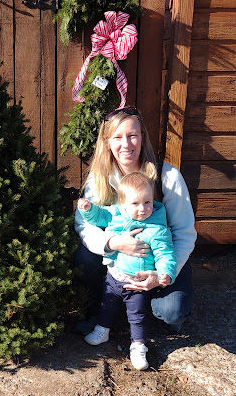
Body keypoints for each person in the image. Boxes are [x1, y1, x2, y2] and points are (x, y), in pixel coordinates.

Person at [74, 107, 197, 340]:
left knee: (172, 311)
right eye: (117, 137)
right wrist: (113, 242)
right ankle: (99, 306)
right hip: (119, 259)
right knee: (84, 258)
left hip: (160, 258)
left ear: (142, 138)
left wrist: (162, 274)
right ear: (107, 142)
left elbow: (185, 232)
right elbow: (84, 225)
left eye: (132, 135)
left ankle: (155, 304)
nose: (126, 144)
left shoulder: (167, 176)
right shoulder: (100, 178)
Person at [77, 172, 177, 370]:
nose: (143, 209)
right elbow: (100, 215)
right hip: (114, 277)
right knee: (107, 305)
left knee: (137, 315)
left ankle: (138, 346)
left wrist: (165, 273)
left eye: (148, 202)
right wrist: (88, 209)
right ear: (122, 203)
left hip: (137, 283)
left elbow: (166, 254)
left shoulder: (157, 229)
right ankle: (102, 330)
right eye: (135, 204)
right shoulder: (116, 214)